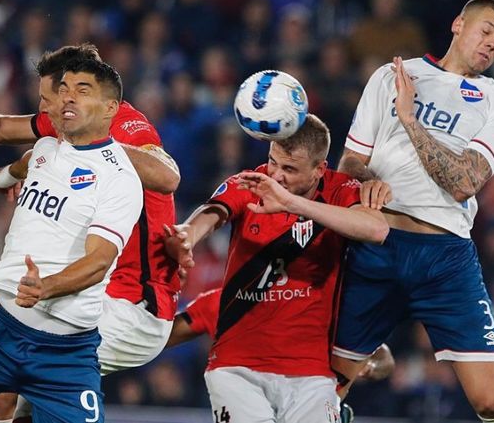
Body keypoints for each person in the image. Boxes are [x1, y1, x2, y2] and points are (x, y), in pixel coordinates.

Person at [0, 44, 182, 423]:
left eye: (56, 97)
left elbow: (167, 175)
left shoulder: (123, 127)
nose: (47, 110)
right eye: (49, 99)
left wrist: (95, 152)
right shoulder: (56, 135)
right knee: (4, 390)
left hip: (132, 304)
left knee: (11, 386)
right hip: (57, 304)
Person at [331, 0, 494, 423]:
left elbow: (463, 184)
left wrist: (411, 119)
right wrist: (366, 181)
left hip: (445, 258)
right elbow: (349, 162)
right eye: (486, 30)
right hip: (377, 246)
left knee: (492, 403)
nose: (493, 43)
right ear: (458, 24)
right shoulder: (391, 75)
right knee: (326, 388)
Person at [164, 114, 390, 423]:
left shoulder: (339, 191)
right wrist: (187, 236)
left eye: (289, 169)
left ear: (319, 170)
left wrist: (292, 204)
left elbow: (376, 229)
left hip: (311, 374)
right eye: (273, 162)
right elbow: (212, 212)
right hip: (236, 369)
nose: (276, 176)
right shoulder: (252, 183)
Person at [166, 287, 396, 423]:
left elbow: (383, 359)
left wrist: (364, 365)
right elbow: (164, 336)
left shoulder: (317, 301)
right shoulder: (227, 301)